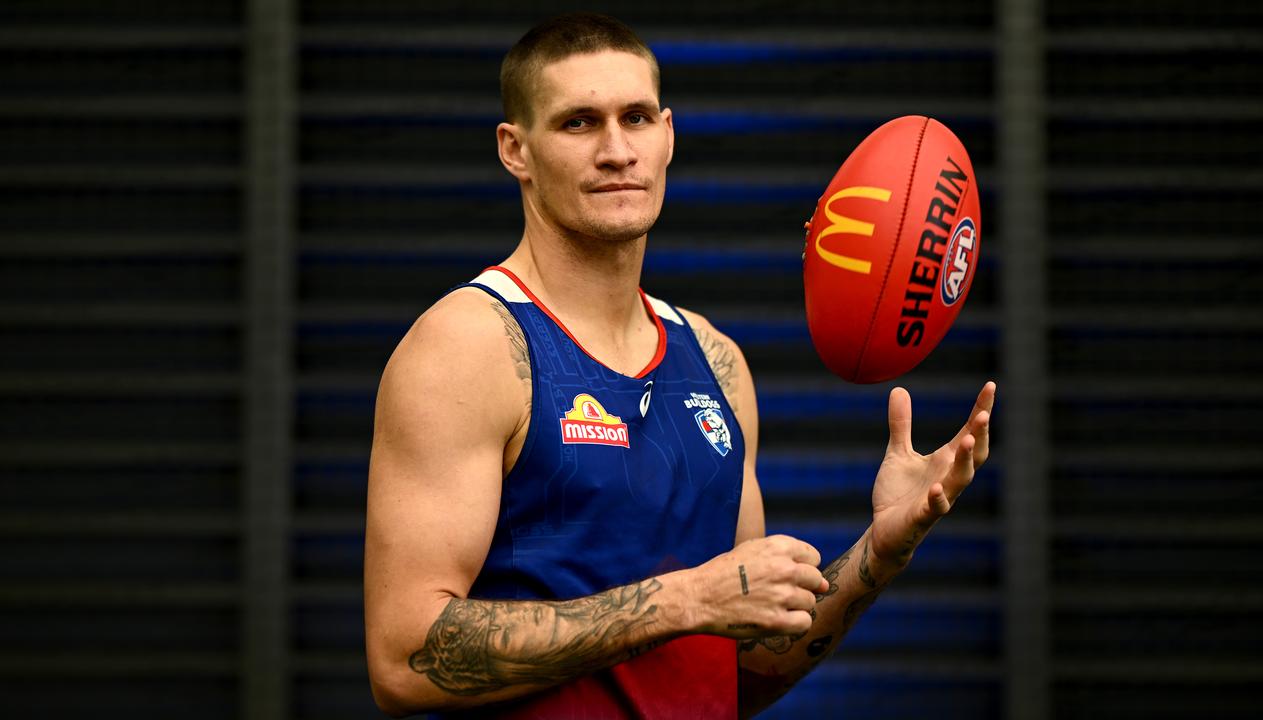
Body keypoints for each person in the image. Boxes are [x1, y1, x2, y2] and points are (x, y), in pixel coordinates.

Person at [363, 12, 995, 719]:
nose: (615, 150)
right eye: (578, 123)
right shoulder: (469, 346)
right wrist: (684, 600)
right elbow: (404, 658)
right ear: (516, 150)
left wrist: (878, 554)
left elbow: (742, 661)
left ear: (669, 134)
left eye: (635, 119)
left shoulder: (716, 360)